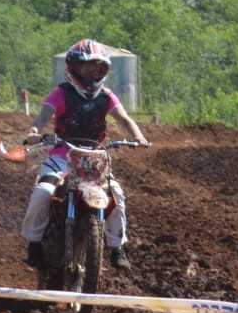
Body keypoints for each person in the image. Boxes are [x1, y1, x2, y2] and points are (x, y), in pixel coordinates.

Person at [20, 39, 150, 270]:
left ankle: (117, 246)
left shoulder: (107, 97)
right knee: (43, 192)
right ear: (73, 68)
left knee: (116, 195)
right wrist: (34, 132)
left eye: (98, 68)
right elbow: (42, 118)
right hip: (62, 156)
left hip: (94, 159)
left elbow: (124, 119)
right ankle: (34, 243)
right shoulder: (61, 93)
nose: (92, 74)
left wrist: (138, 136)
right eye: (87, 68)